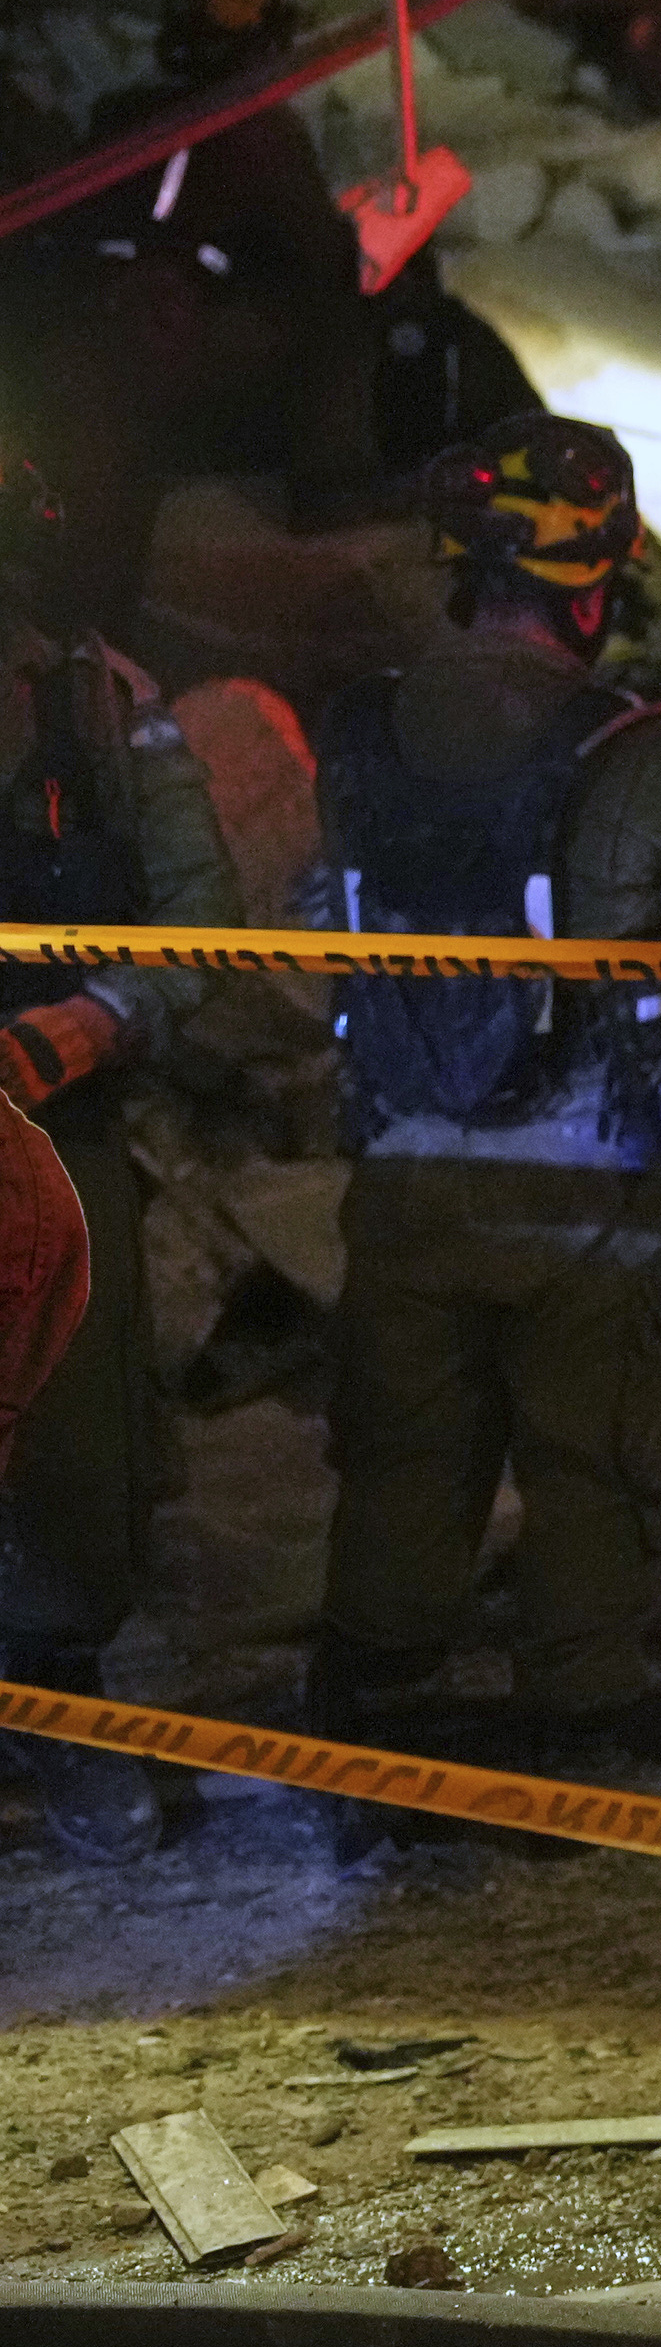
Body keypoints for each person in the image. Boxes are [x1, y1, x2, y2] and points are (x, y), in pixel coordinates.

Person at [302, 421, 661, 1785]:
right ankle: (583, 1737)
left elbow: (326, 913)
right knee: (590, 1468)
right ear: (596, 580)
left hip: (406, 1169)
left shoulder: (362, 727)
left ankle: (370, 1722)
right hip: (590, 1191)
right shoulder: (643, 748)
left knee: (404, 1459)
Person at [0, 439, 238, 1861]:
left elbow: (200, 931)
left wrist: (94, 1019)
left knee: (73, 1468)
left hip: (50, 1136)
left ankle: (67, 1715)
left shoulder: (99, 709)